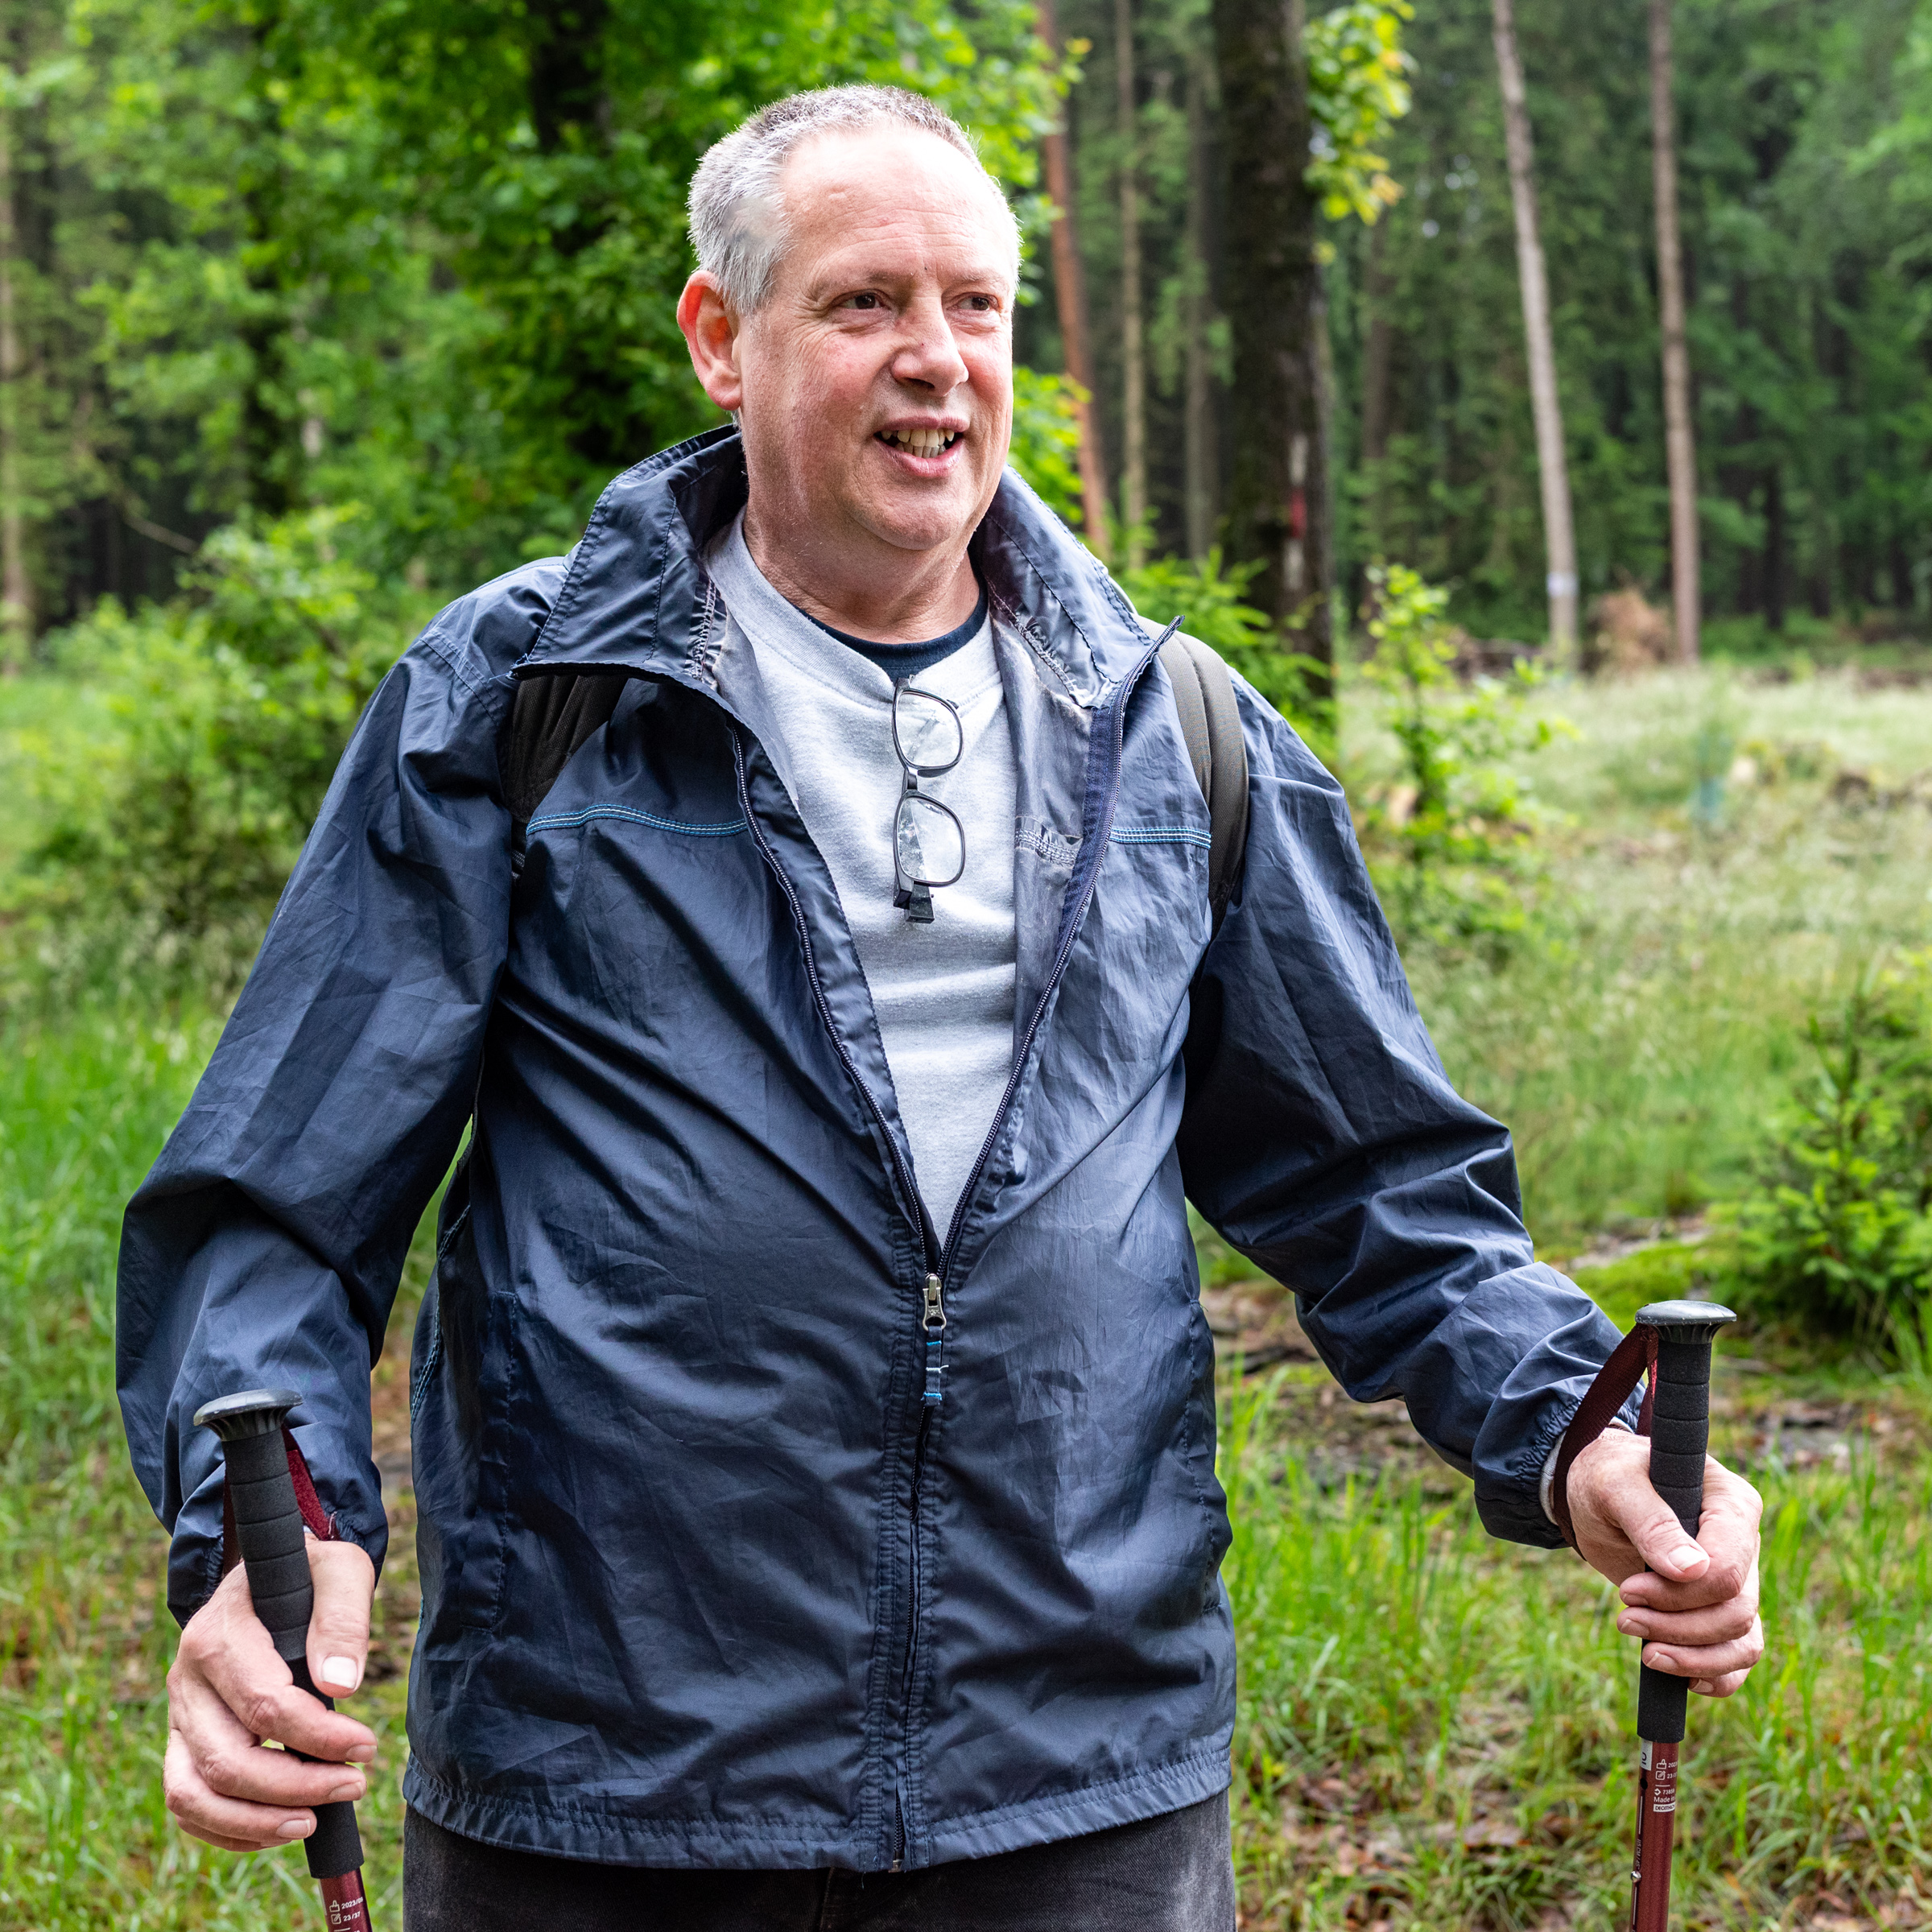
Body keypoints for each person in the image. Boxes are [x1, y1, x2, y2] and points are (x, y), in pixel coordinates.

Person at [118, 85, 1765, 1931]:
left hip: (1079, 1779)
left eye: (977, 305)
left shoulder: (1175, 730)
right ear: (721, 338)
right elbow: (277, 1199)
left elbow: (1378, 1186)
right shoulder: (523, 702)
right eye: (864, 303)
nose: (937, 359)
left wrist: (1584, 1423)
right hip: (612, 1783)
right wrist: (270, 1534)